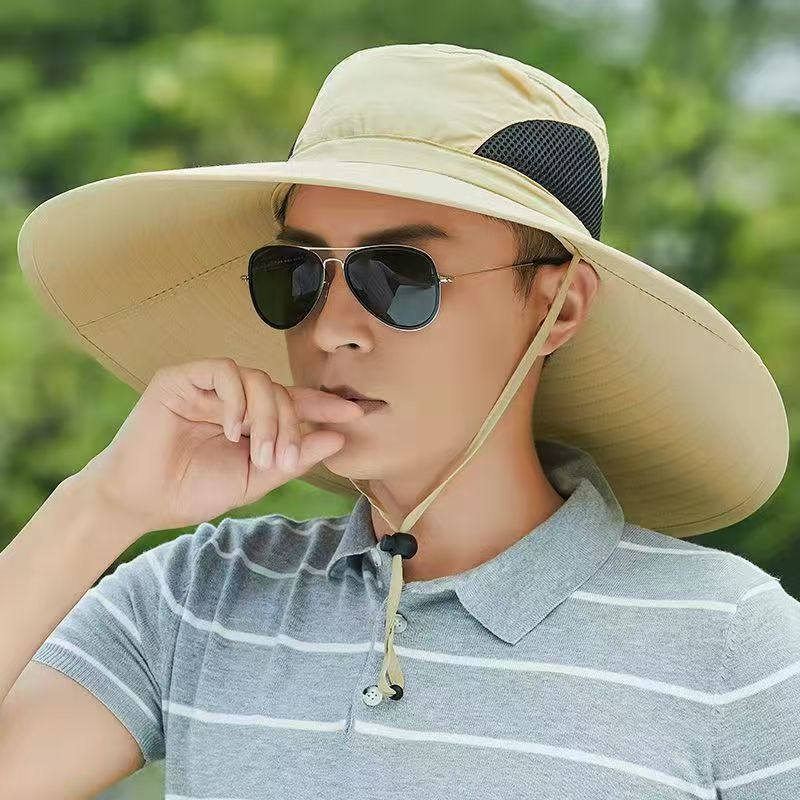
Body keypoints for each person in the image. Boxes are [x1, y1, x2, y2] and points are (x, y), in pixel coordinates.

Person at [1, 42, 797, 799]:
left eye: (399, 274)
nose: (331, 328)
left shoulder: (735, 644)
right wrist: (104, 503)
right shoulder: (200, 595)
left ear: (558, 306)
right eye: (297, 272)